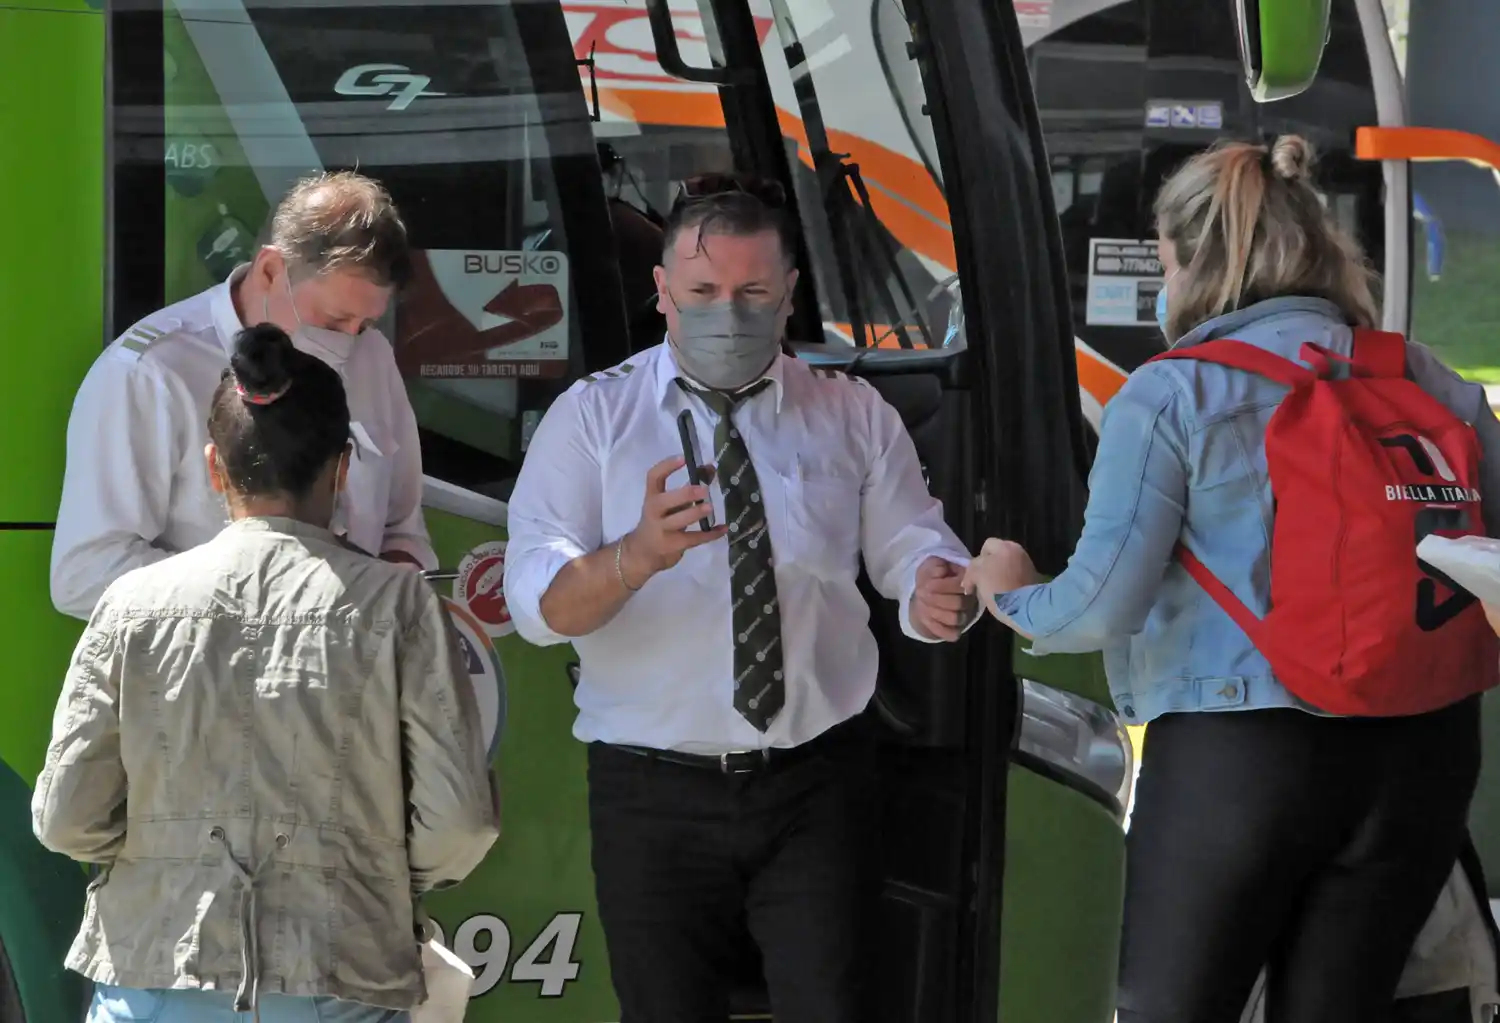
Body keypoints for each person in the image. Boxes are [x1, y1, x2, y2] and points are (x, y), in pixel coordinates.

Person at [963, 136, 1500, 1023]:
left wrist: (1009, 588)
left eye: (1167, 262)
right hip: (1425, 751)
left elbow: (1096, 609)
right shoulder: (1431, 379)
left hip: (1244, 759)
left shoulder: (1174, 394)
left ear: (1196, 262)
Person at [503, 172, 976, 1022]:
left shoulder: (850, 415)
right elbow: (538, 608)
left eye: (753, 290)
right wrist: (635, 558)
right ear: (662, 293)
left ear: (790, 293)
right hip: (651, 792)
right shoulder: (594, 420)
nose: (729, 310)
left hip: (813, 785)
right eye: (704, 291)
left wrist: (933, 588)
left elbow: (911, 541)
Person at [31, 323, 500, 1022]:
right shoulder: (400, 606)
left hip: (152, 977)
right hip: (341, 981)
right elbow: (459, 821)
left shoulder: (130, 603)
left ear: (216, 468)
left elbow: (66, 818)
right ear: (343, 469)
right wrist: (377, 871)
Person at [51, 170, 436, 620]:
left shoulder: (372, 356)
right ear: (271, 270)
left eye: (365, 325)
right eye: (333, 321)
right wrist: (271, 605)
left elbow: (404, 533)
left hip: (351, 674)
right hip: (207, 678)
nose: (349, 343)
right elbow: (85, 573)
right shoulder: (151, 372)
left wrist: (385, 592)